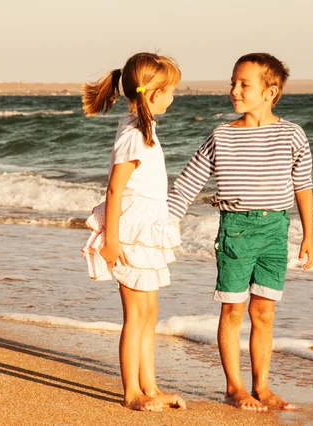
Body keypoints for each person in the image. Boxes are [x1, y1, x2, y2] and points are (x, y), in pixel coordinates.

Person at [167, 53, 313, 411]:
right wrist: (166, 221)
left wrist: (309, 234)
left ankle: (261, 387)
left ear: (270, 91)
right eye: (232, 82)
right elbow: (188, 183)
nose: (234, 90)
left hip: (275, 230)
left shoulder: (292, 134)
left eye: (243, 84)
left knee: (264, 312)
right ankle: (235, 388)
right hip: (236, 229)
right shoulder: (222, 135)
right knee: (233, 310)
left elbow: (303, 185)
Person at [81, 52, 186, 412]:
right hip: (130, 233)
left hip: (150, 228)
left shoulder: (145, 128)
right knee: (135, 315)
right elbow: (114, 189)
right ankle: (131, 393)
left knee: (151, 311)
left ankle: (151, 387)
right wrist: (111, 241)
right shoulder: (133, 134)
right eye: (171, 90)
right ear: (154, 93)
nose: (173, 96)